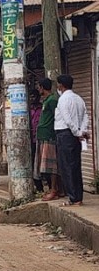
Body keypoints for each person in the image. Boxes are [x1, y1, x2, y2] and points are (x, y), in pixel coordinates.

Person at [54, 75, 89, 206]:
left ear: (61, 86)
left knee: (67, 166)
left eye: (58, 85)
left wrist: (77, 132)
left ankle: (73, 198)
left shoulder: (63, 100)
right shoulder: (79, 99)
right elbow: (86, 116)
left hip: (66, 135)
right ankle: (78, 196)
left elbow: (68, 120)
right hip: (75, 135)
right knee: (75, 166)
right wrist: (82, 131)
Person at [35, 79, 61, 200]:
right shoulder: (46, 101)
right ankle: (53, 189)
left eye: (39, 87)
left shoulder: (52, 100)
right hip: (43, 136)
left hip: (49, 136)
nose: (38, 89)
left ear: (42, 87)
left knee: (52, 166)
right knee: (46, 167)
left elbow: (58, 117)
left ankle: (55, 189)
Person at [28, 89, 44, 193]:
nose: (32, 99)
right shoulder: (28, 109)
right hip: (31, 140)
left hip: (42, 139)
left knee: (43, 162)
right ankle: (39, 187)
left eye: (34, 96)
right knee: (33, 163)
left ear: (38, 97)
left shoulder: (43, 107)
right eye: (31, 97)